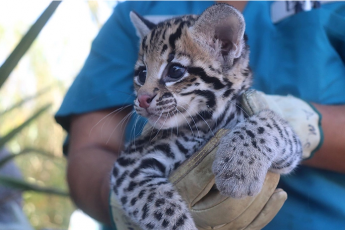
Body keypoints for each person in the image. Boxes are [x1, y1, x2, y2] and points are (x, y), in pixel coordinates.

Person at [55, 1, 345, 229]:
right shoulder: (140, 9)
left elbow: (283, 143)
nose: (145, 94)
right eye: (142, 74)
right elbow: (90, 151)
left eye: (175, 71)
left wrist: (287, 126)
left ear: (227, 46)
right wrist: (134, 207)